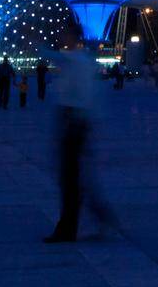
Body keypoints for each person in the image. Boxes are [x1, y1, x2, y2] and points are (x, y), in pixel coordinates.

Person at [44, 43, 118, 243]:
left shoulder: (77, 61)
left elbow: (82, 97)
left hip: (75, 124)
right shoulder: (82, 61)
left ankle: (69, 228)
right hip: (77, 124)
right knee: (77, 178)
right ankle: (99, 216)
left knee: (71, 179)